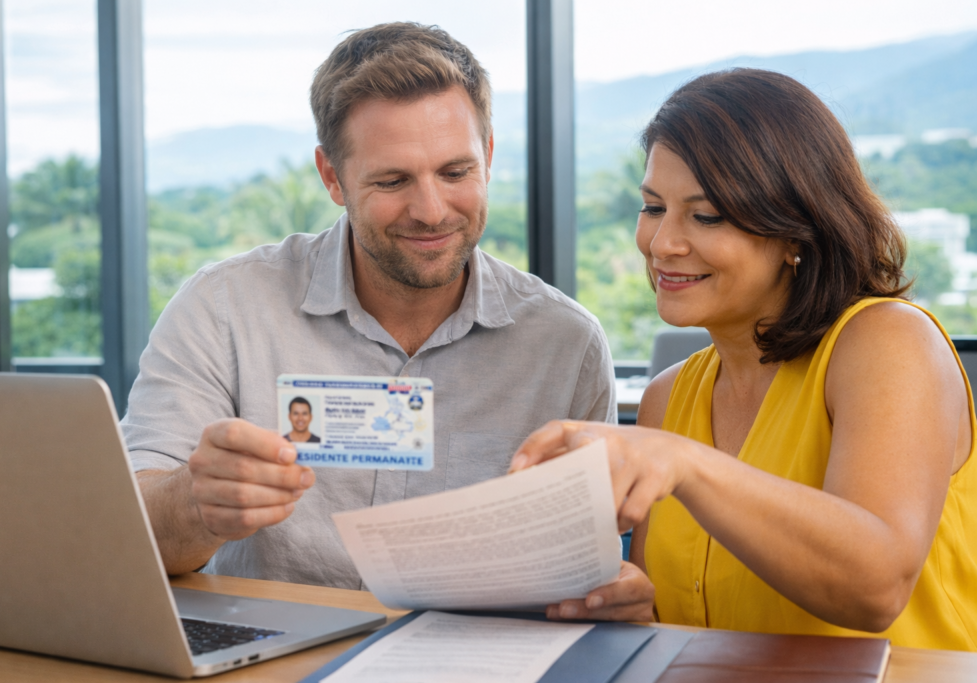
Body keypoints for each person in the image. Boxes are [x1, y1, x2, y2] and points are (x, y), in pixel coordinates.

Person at [122, 22, 619, 590]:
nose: (431, 210)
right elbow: (130, 527)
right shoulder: (223, 309)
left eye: (456, 172)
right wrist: (193, 501)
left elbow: (586, 567)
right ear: (332, 177)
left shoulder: (567, 344)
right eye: (392, 181)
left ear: (486, 156)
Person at [511, 69, 977, 650]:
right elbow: (691, 617)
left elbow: (877, 587)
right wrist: (634, 605)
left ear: (795, 234)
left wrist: (684, 462)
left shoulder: (888, 342)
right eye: (653, 207)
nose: (662, 244)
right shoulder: (667, 397)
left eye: (706, 216)